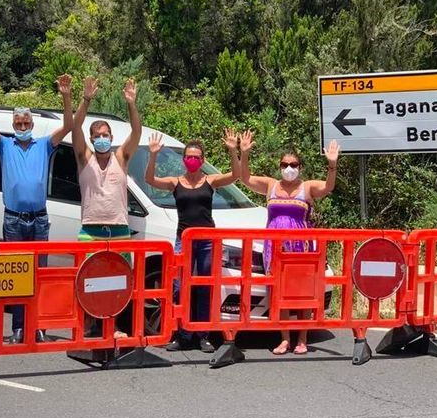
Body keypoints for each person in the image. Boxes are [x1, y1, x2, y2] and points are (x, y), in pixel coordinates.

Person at [0, 65, 73, 344]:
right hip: (14, 219)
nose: (22, 127)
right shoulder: (5, 145)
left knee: (39, 274)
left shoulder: (43, 145)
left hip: (39, 218)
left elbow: (68, 126)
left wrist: (66, 97)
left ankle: (38, 325)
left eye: (26, 123)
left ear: (32, 126)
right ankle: (19, 327)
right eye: (18, 123)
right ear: (13, 126)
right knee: (17, 275)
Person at [240, 132, 340, 355]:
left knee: (302, 291)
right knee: (278, 291)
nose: (289, 168)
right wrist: (244, 155)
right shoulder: (270, 185)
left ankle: (302, 338)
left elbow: (328, 188)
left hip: (301, 244)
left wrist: (332, 166)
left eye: (293, 164)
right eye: (284, 164)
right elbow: (245, 178)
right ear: (279, 166)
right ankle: (284, 338)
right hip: (274, 245)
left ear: (300, 167)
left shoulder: (307, 187)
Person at [145, 129, 240, 353]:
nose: (192, 160)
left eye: (197, 157)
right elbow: (150, 180)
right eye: (189, 156)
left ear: (202, 160)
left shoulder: (210, 180)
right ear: (184, 160)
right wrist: (153, 155)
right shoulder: (175, 182)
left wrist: (233, 151)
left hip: (207, 240)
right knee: (179, 287)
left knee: (204, 287)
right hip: (183, 240)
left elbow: (235, 175)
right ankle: (181, 334)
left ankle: (203, 334)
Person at [72, 77, 142, 337]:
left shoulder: (121, 158)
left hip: (119, 230)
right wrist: (86, 99)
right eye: (97, 136)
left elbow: (136, 133)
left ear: (111, 137)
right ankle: (90, 326)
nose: (101, 139)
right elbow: (75, 128)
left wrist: (131, 104)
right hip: (90, 231)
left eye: (105, 135)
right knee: (88, 281)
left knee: (120, 280)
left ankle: (116, 326)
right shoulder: (84, 158)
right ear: (91, 139)